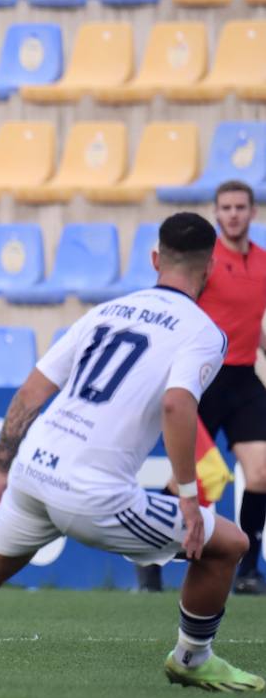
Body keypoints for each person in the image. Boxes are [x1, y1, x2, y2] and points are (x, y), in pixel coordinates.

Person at [0, 212, 263, 693]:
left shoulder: (105, 312)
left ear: (154, 259)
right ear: (210, 268)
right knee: (229, 544)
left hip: (33, 468)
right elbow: (177, 403)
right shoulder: (203, 331)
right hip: (93, 491)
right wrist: (188, 497)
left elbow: (31, 391)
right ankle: (192, 658)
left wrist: (1, 463)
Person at [139, 181, 266, 595]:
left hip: (244, 377)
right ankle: (149, 555)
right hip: (203, 378)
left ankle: (247, 571)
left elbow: (253, 323)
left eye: (240, 207)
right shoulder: (205, 264)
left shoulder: (263, 262)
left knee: (262, 472)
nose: (233, 214)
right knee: (198, 477)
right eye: (226, 207)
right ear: (217, 213)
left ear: (251, 212)